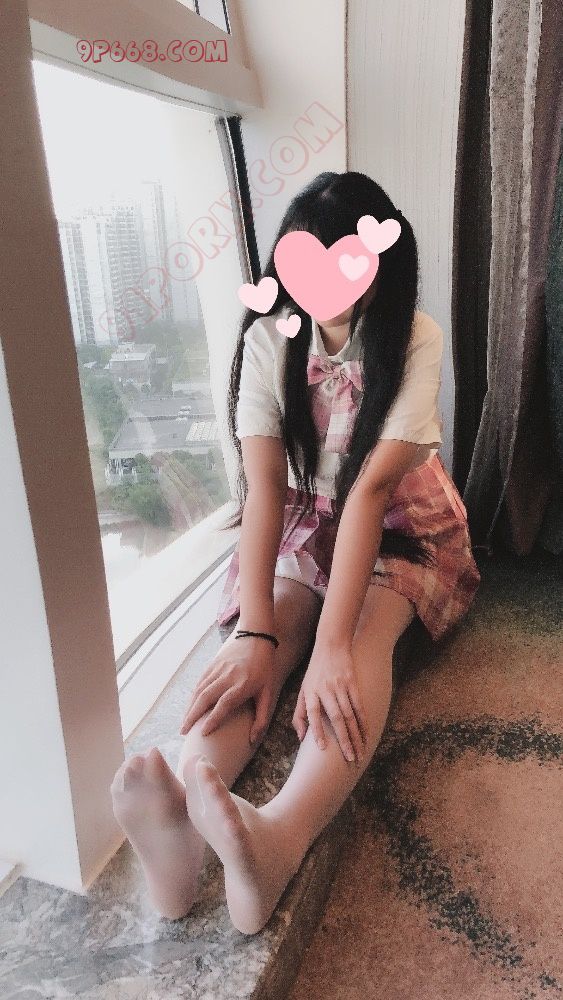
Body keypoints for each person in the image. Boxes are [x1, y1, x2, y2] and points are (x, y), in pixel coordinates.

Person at [110, 171, 480, 935]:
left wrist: (333, 644)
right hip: (307, 517)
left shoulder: (412, 337)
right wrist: (255, 631)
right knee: (272, 627)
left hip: (401, 524)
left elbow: (372, 494)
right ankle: (181, 811)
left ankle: (280, 836)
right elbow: (264, 490)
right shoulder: (266, 341)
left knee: (363, 639)